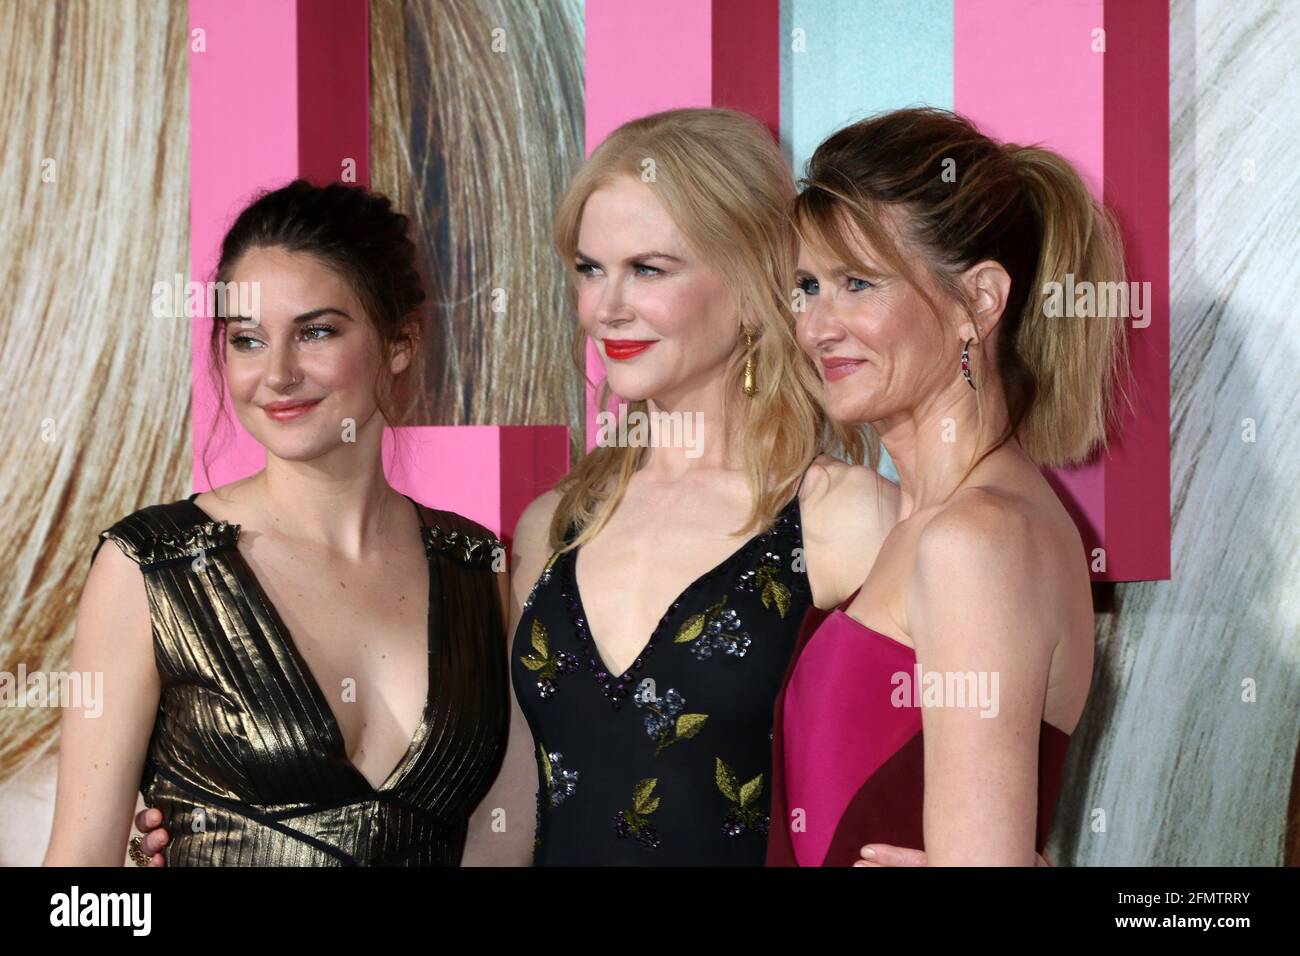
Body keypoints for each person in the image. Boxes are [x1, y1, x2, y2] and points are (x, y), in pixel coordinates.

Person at [43, 180, 509, 866]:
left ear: (399, 342)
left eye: (317, 332)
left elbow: (505, 847)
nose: (279, 374)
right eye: (248, 340)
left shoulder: (477, 569)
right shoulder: (154, 566)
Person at [498, 108, 897, 865]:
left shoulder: (846, 521)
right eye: (589, 269)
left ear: (752, 291)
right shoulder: (553, 526)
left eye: (648, 269)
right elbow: (516, 807)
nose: (605, 306)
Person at [767, 107, 1128, 866]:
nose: (815, 327)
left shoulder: (977, 542)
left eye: (856, 283)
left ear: (981, 301)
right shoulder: (931, 524)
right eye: (808, 286)